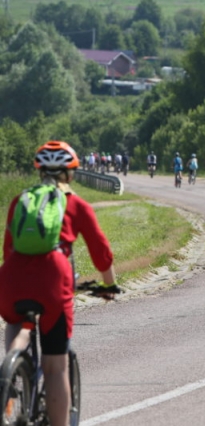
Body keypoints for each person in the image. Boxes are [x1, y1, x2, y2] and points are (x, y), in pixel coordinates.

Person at [0, 141, 119, 426]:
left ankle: (12, 369)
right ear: (70, 174)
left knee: (17, 321)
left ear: (40, 171)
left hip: (12, 278)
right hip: (53, 281)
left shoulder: (21, 201)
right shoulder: (75, 204)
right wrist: (109, 286)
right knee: (55, 368)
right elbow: (101, 253)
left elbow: (8, 249)